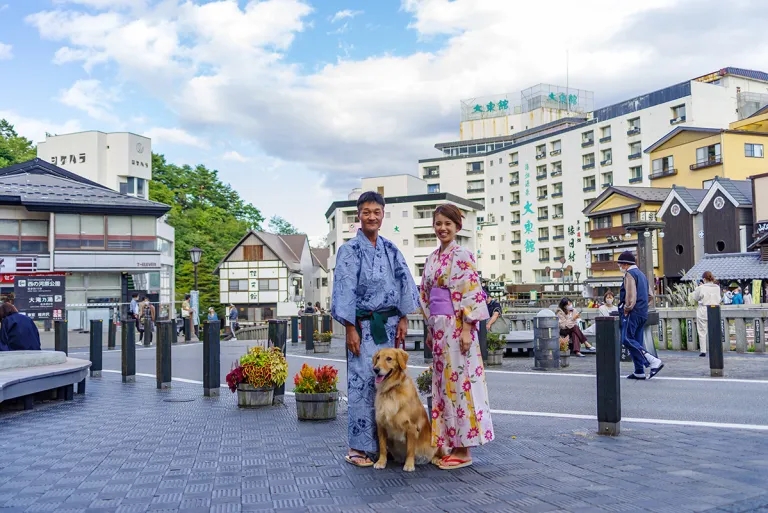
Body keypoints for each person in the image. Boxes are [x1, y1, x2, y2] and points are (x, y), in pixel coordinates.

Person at [331, 191, 420, 468]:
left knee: (391, 385)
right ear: (358, 214)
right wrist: (349, 328)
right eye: (366, 211)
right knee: (361, 383)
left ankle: (389, 446)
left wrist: (404, 318)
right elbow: (344, 289)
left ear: (383, 215)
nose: (371, 216)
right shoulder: (348, 251)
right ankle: (359, 447)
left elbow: (405, 281)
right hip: (361, 326)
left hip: (390, 326)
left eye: (376, 212)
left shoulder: (391, 249)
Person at [420, 204, 494, 470]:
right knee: (442, 387)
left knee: (461, 385)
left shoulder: (462, 255)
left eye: (448, 224)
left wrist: (466, 329)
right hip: (439, 329)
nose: (442, 228)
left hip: (457, 326)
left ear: (457, 227)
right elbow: (426, 296)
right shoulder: (431, 258)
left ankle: (464, 450)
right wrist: (430, 328)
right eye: (438, 223)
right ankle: (449, 443)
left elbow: (471, 293)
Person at [617, 251, 664, 380]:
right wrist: (643, 306)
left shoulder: (629, 274)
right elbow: (651, 295)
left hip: (632, 312)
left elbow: (630, 296)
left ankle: (653, 361)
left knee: (626, 339)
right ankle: (639, 371)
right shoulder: (642, 275)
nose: (619, 267)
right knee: (636, 341)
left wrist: (627, 308)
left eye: (620, 264)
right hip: (643, 313)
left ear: (626, 264)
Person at [691, 271, 721, 357]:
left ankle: (703, 350)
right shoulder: (717, 287)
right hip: (715, 309)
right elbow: (719, 299)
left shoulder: (701, 287)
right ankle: (715, 348)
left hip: (703, 309)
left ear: (704, 279)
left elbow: (696, 298)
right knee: (714, 331)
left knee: (702, 331)